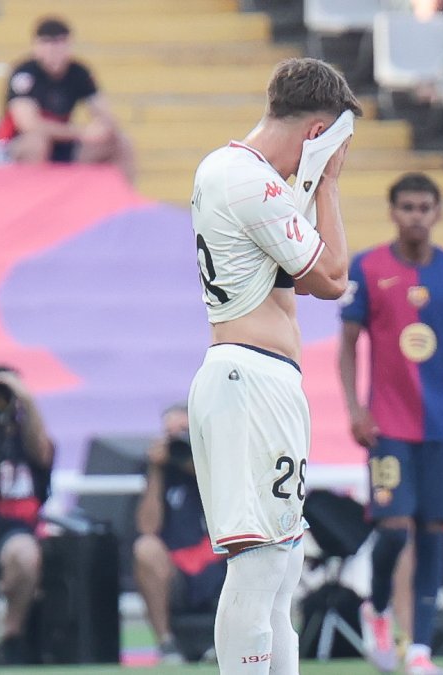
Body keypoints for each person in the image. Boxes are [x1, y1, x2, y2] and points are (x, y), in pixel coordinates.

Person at [187, 57, 360, 675]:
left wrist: (308, 182)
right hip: (248, 379)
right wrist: (329, 181)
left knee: (284, 566)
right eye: (335, 143)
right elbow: (333, 278)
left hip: (256, 378)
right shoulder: (249, 180)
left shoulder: (238, 173)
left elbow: (305, 277)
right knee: (260, 565)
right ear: (318, 133)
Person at [338, 172, 443, 675]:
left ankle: (421, 651)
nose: (416, 216)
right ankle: (379, 607)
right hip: (387, 428)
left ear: (437, 213)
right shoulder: (367, 267)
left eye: (425, 207)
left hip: (442, 428)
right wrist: (354, 408)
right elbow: (347, 345)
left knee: (433, 535)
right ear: (392, 211)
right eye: (407, 206)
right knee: (392, 532)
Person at [133, 403, 227, 665]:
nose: (177, 441)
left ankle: (229, 641)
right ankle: (166, 643)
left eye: (184, 432)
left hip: (219, 557)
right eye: (170, 433)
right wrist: (156, 471)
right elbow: (147, 528)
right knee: (146, 549)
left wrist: (197, 462)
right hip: (176, 566)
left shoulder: (220, 462)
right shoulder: (161, 472)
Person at [0, 17, 134, 181]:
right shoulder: (25, 74)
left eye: (59, 43)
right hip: (16, 145)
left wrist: (103, 127)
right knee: (38, 143)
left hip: (62, 145)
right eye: (47, 43)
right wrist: (82, 132)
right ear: (36, 46)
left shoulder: (79, 73)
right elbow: (30, 125)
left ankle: (119, 201)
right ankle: (35, 197)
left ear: (69, 44)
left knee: (120, 142)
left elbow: (104, 113)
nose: (53, 49)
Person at [0, 365, 54, 666]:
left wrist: (25, 400)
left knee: (26, 555)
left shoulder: (25, 440)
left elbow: (42, 452)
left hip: (14, 531)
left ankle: (11, 636)